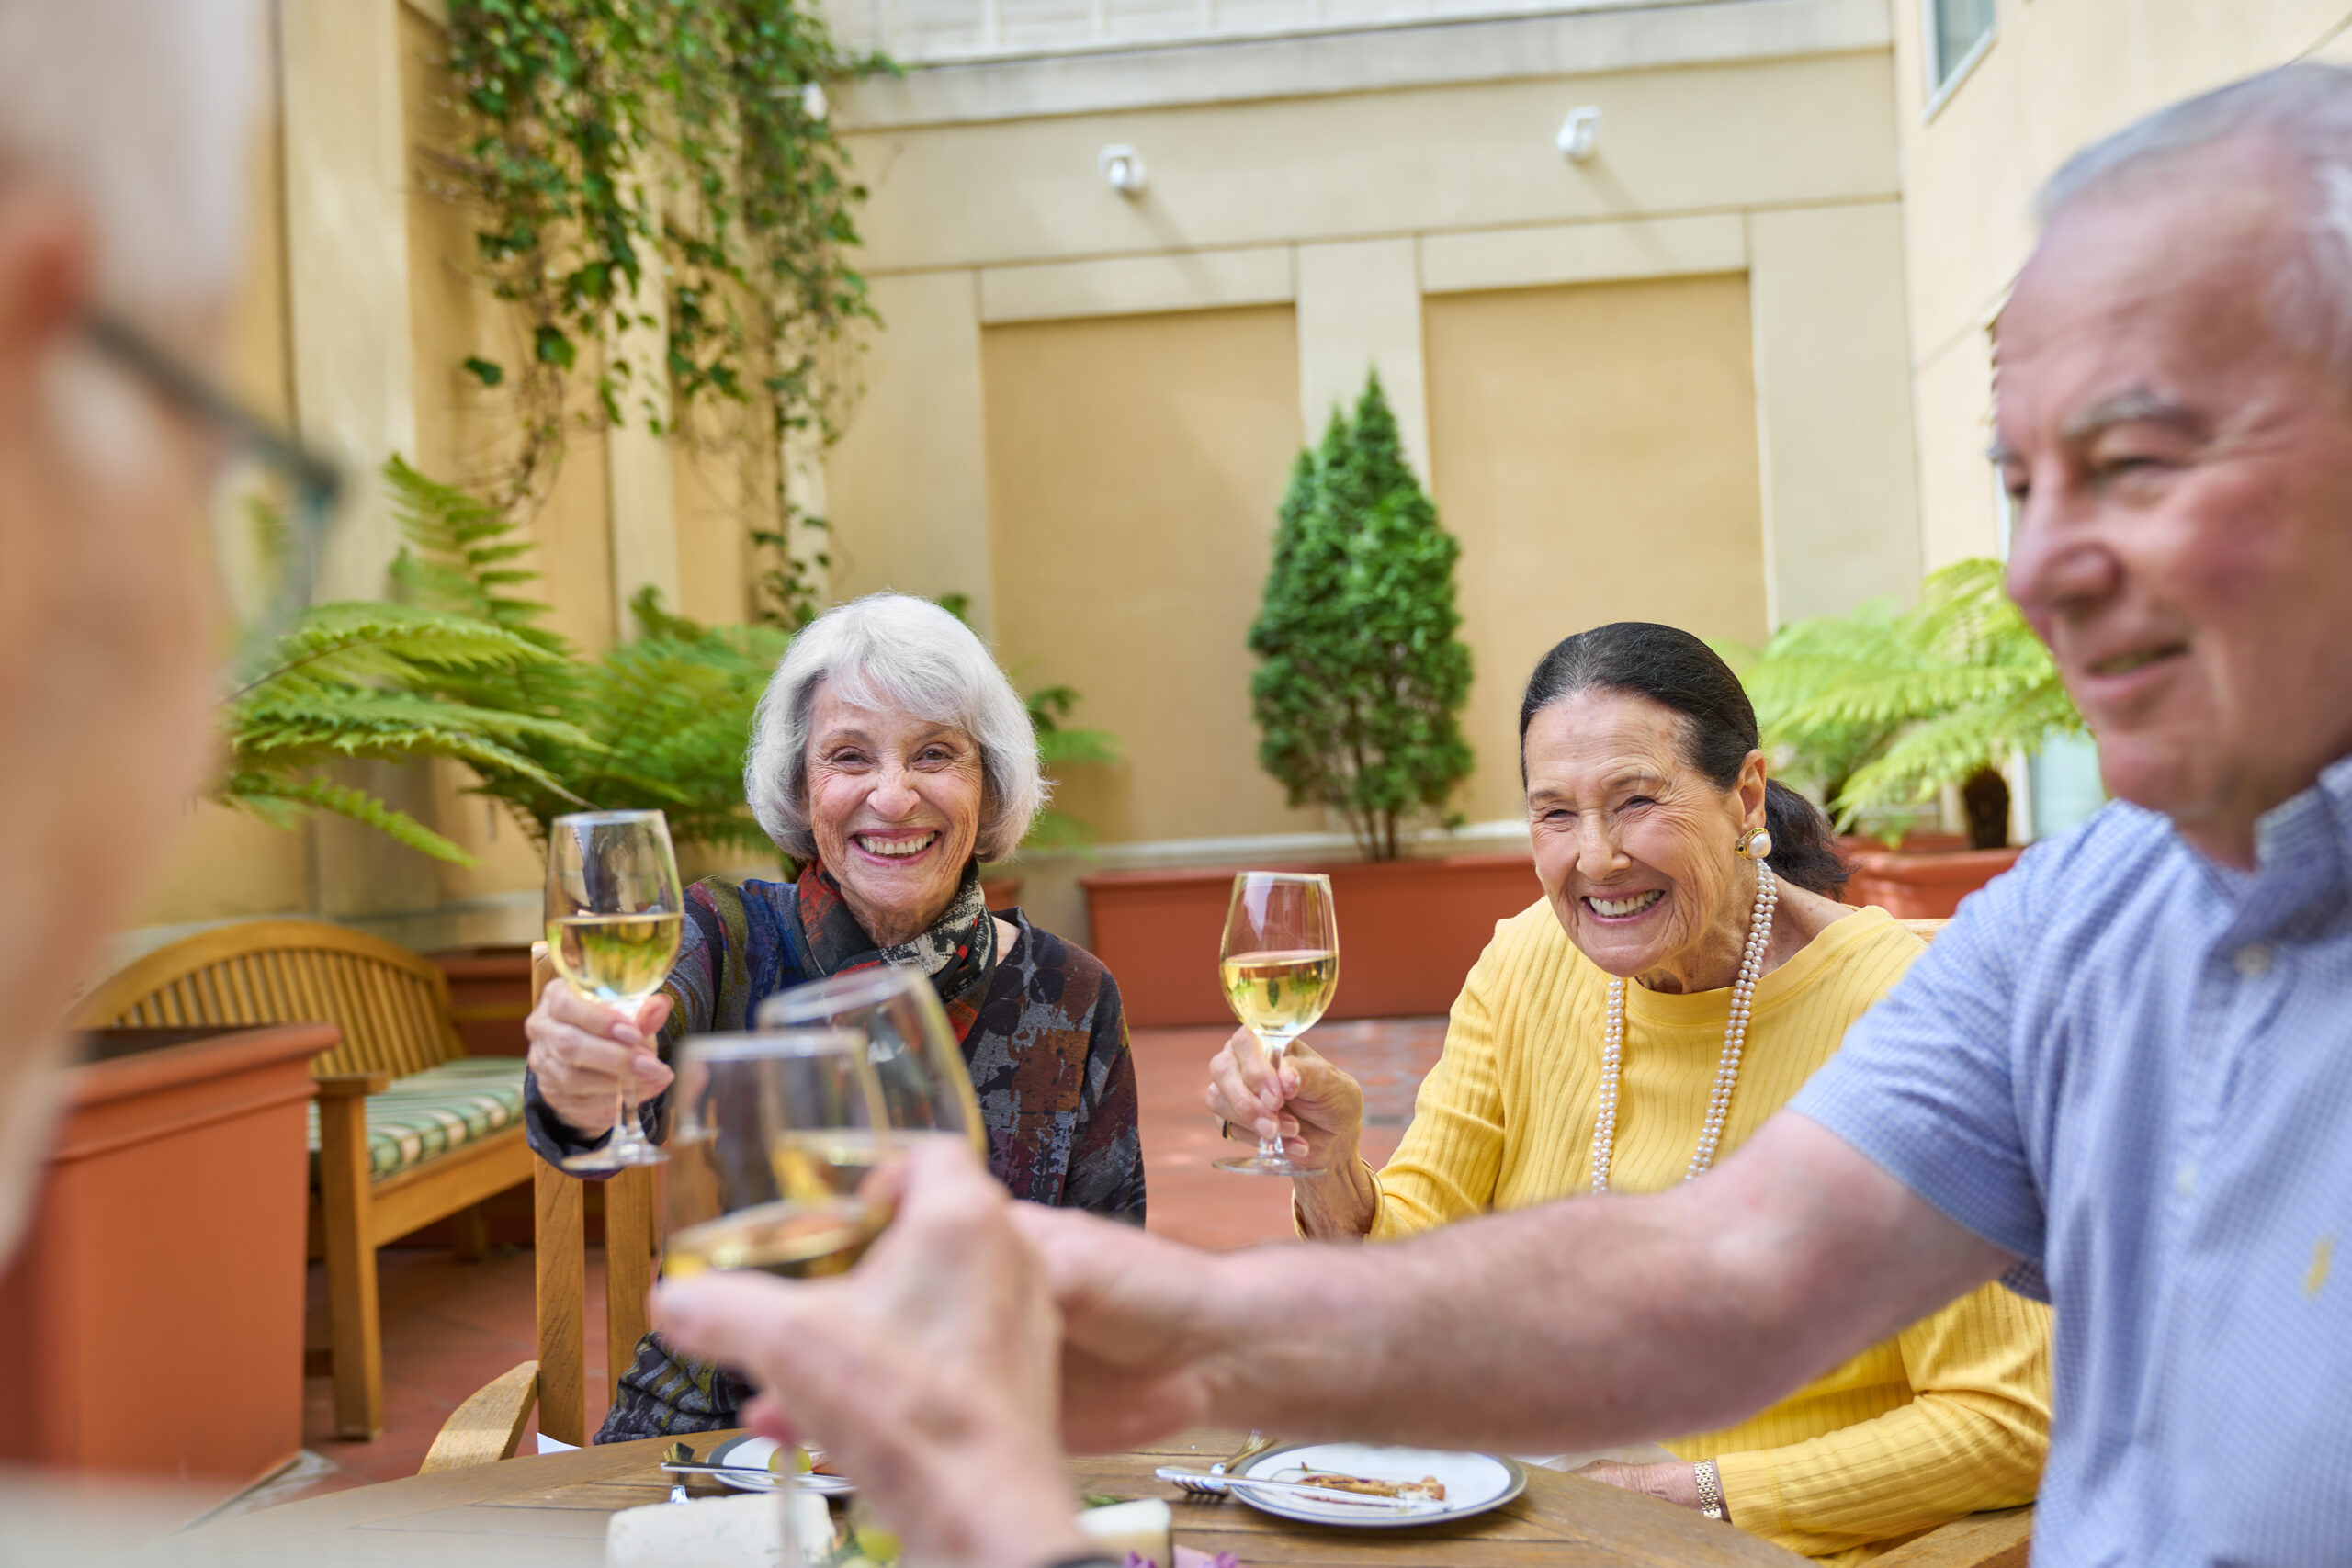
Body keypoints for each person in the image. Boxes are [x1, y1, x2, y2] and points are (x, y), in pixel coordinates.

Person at [653, 62, 2352, 1568]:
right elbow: (1720, 1276)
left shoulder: (1924, 965)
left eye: (2134, 461)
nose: (2047, 561)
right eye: (2022, 479)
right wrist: (1197, 1337)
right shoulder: (2078, 924)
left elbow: (1980, 1417)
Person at [1202, 621, 2049, 1562]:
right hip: (1531, 1514)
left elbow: (2005, 1421)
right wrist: (1330, 1170)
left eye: (1636, 801)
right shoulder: (1525, 961)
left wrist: (1671, 1498)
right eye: (1554, 814)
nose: (1595, 858)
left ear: (1745, 798)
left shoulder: (1906, 1011)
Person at [525, 590, 1146, 1441]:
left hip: (965, 1444)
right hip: (715, 1439)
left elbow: (1112, 1292)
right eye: (849, 757)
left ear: (989, 782)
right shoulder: (724, 935)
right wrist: (582, 1082)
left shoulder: (1071, 994)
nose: (893, 798)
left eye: (935, 754)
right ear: (800, 784)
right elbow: (610, 1085)